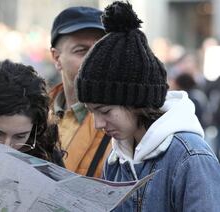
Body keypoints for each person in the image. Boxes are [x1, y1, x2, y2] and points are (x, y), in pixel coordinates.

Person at [75, 1, 220, 211]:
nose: (98, 124)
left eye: (105, 111)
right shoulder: (117, 159)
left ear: (136, 102)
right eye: (91, 111)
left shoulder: (191, 157)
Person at [49, 6, 110, 177]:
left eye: (101, 50)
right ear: (56, 58)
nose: (94, 59)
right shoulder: (35, 115)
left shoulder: (127, 123)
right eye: (81, 51)